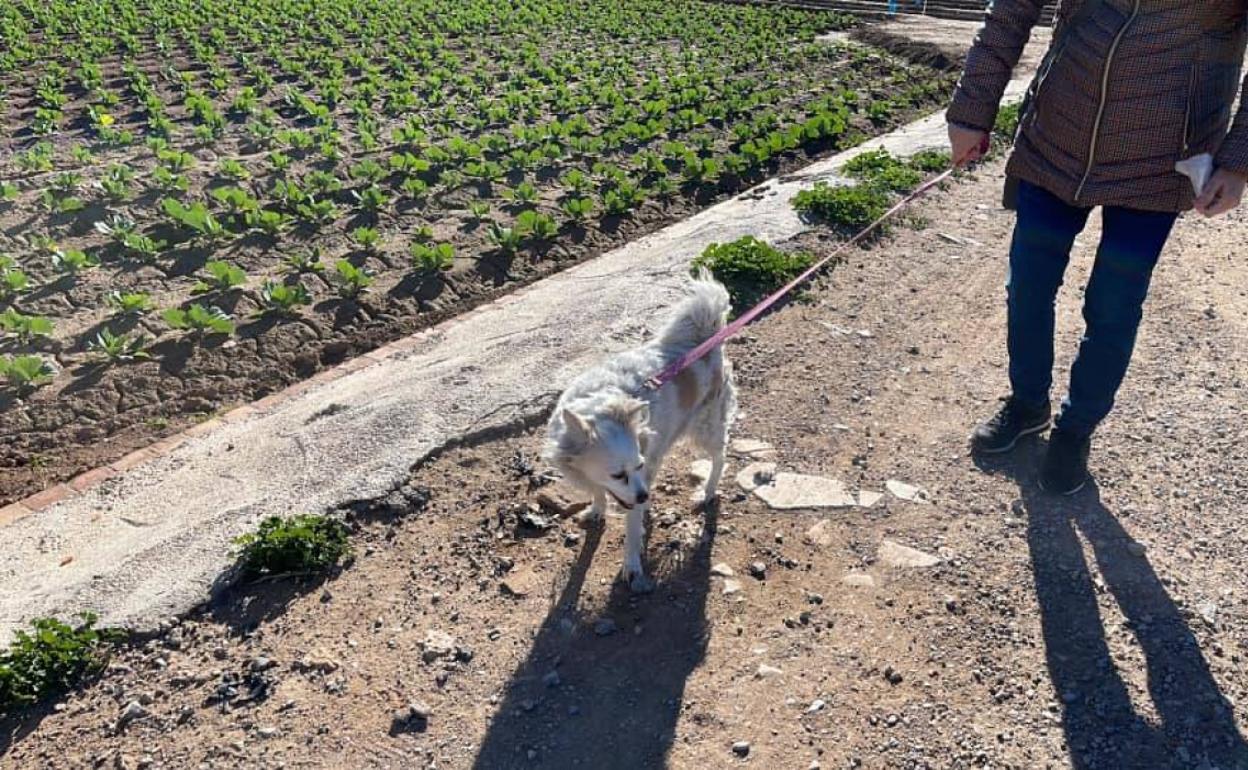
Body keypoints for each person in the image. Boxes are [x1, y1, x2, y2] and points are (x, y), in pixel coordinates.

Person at [947, 1, 1248, 494]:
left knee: (1113, 304)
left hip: (1162, 160)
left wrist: (1237, 163)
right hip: (1055, 137)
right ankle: (1027, 403)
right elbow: (1010, 12)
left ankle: (1075, 431)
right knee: (1028, 284)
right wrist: (972, 110)